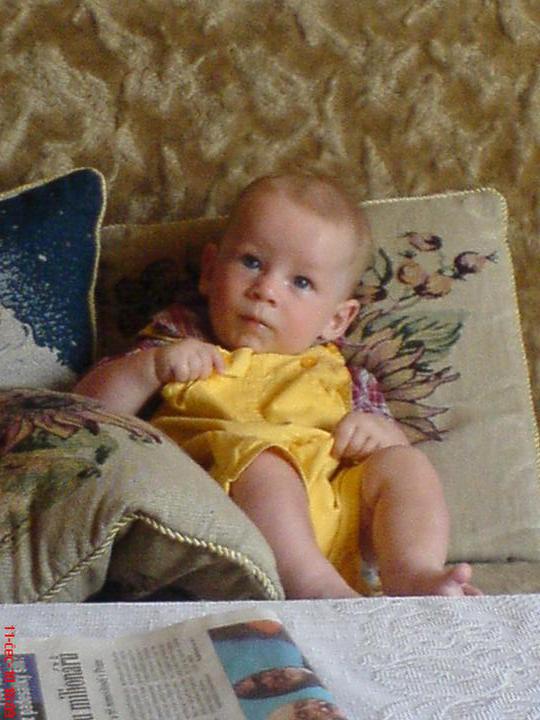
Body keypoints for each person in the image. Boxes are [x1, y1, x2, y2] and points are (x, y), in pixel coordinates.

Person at [75, 173, 481, 598]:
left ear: (336, 320)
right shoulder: (176, 341)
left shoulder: (347, 378)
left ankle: (414, 575)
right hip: (223, 514)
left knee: (405, 464)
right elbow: (83, 416)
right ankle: (312, 588)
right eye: (252, 262)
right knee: (264, 461)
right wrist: (149, 369)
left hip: (329, 515)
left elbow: (384, 453)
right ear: (210, 271)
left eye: (301, 282)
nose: (265, 290)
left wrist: (382, 436)